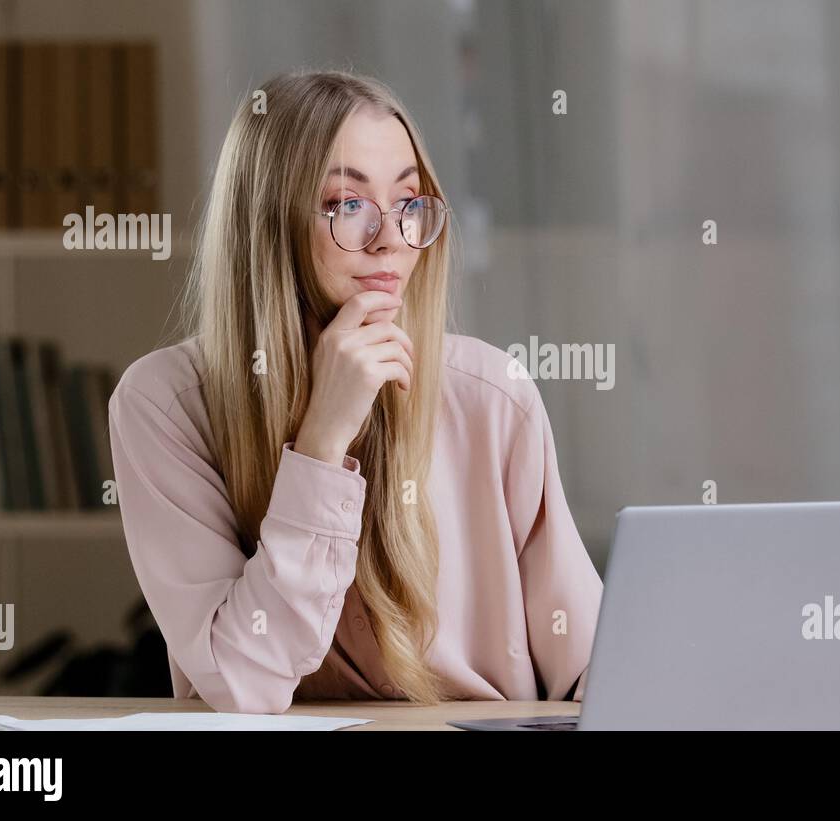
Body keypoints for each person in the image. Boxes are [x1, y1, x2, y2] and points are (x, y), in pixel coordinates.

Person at [107, 70, 602, 714]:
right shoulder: (166, 404)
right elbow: (241, 681)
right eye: (347, 205)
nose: (391, 239)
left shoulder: (491, 397)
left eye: (408, 204)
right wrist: (321, 443)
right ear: (269, 224)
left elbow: (592, 663)